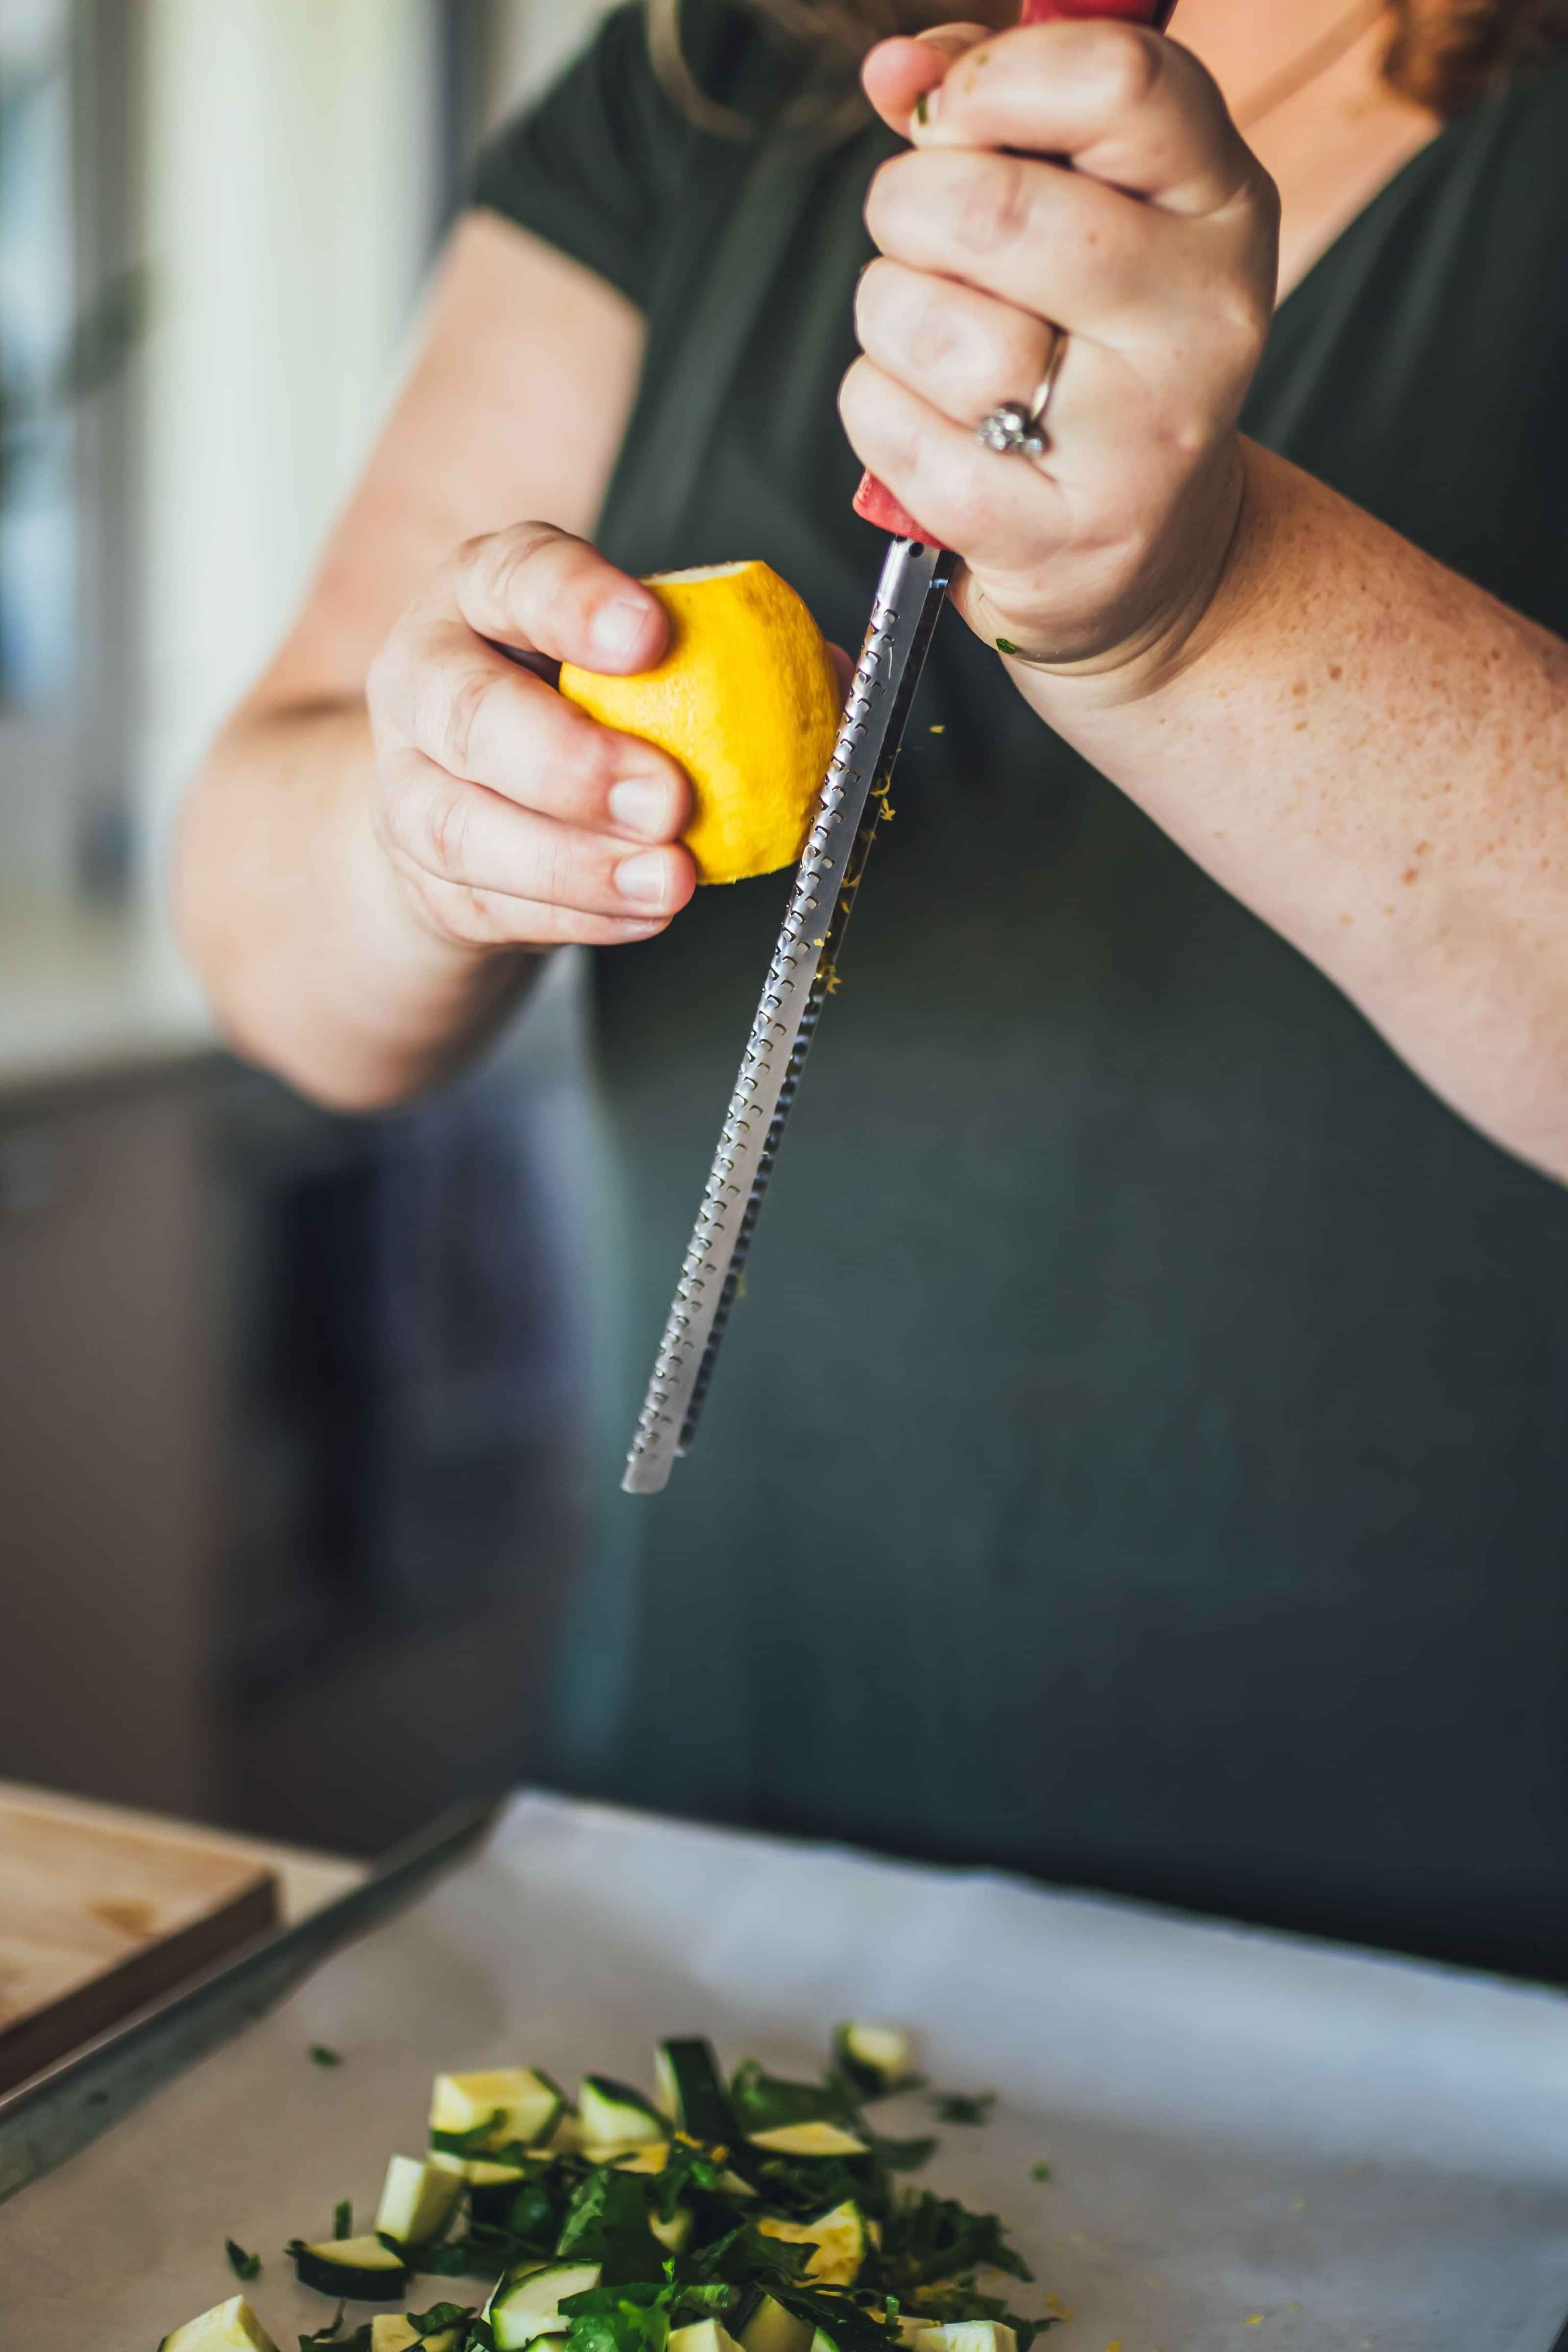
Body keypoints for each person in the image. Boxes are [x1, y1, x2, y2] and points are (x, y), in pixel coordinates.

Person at [177, 0, 1568, 1981]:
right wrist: (424, 826)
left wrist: (1192, 606)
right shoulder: (704, 80)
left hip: (1467, 1957)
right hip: (722, 1858)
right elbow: (271, 946)